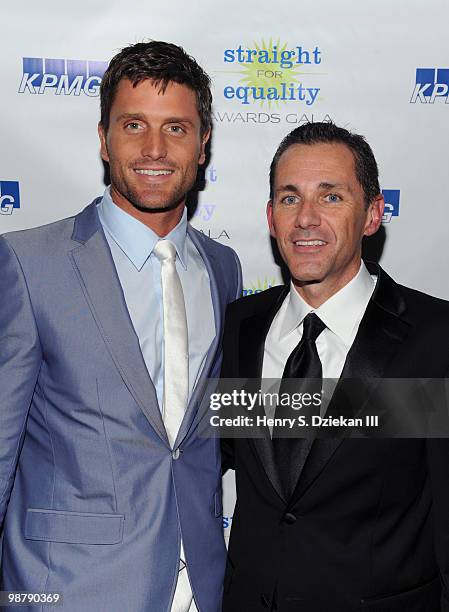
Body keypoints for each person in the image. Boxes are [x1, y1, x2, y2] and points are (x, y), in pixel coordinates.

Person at [0, 41, 241, 612]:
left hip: (202, 586)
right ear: (104, 138)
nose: (155, 148)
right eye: (134, 125)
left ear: (203, 145)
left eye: (177, 128)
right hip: (69, 591)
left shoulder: (223, 268)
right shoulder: (29, 264)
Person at [221, 122, 449, 611]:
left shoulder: (436, 338)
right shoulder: (239, 326)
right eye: (289, 198)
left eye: (330, 198)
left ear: (372, 214)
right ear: (270, 216)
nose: (306, 219)